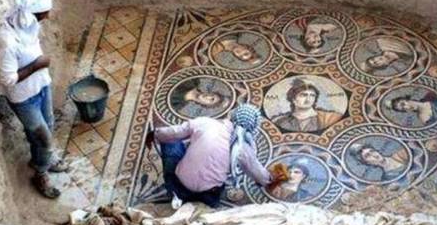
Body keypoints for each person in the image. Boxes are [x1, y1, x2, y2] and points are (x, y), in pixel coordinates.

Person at [0, 0, 68, 199]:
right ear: (32, 13)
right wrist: (37, 65)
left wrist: (39, 69)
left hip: (41, 85)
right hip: (23, 97)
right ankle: (41, 173)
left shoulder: (29, 25)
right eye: (45, 12)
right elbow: (7, 79)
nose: (49, 15)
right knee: (42, 136)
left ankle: (42, 159)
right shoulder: (6, 42)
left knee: (48, 125)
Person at [146, 103, 287, 208]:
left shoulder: (204, 122)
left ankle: (177, 193)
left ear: (232, 115)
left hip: (177, 188)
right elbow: (261, 176)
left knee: (171, 141)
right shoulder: (242, 148)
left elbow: (174, 133)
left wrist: (154, 134)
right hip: (208, 198)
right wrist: (273, 178)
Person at [273, 79, 342, 132]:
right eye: (303, 95)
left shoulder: (329, 118)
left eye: (312, 95)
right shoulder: (280, 121)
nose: (308, 99)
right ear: (293, 99)